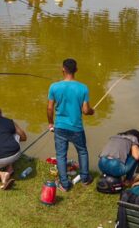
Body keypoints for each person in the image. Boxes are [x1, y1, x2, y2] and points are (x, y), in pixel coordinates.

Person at [47, 58, 94, 191]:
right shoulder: (83, 88)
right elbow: (86, 111)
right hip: (76, 128)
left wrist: (50, 123)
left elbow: (50, 108)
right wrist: (92, 111)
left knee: (61, 155)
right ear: (76, 70)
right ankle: (85, 178)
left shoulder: (54, 87)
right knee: (82, 151)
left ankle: (64, 184)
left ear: (63, 69)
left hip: (60, 127)